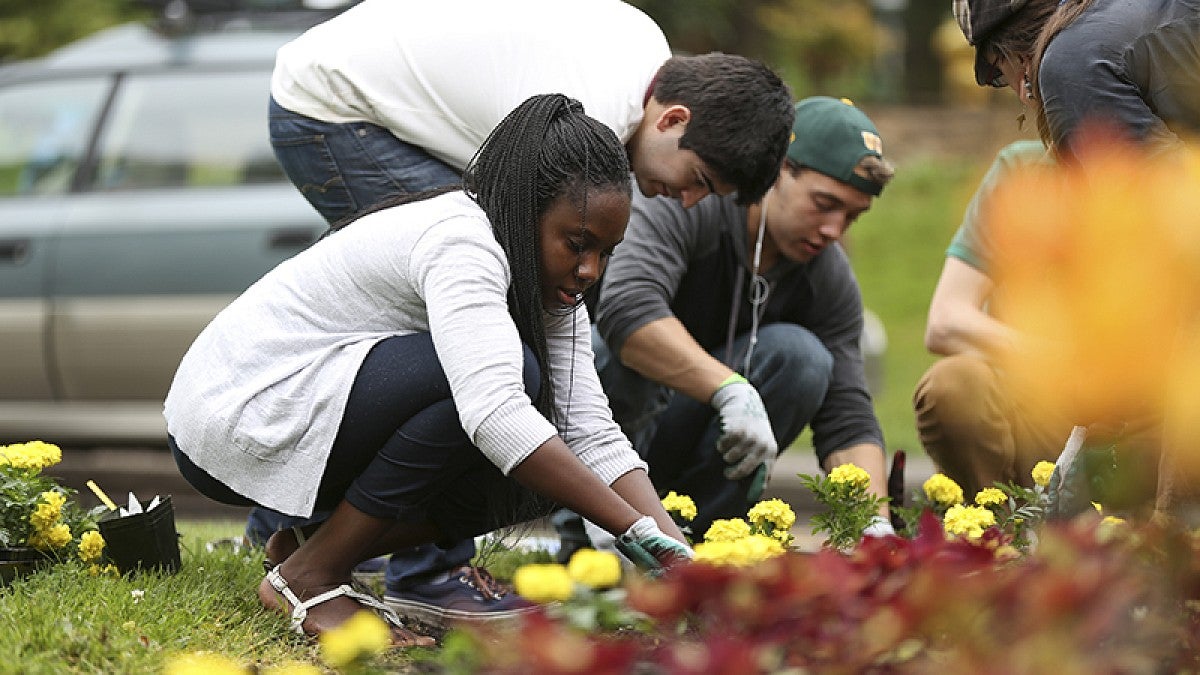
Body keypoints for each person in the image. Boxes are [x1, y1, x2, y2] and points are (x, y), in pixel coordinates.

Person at [253, 0, 795, 623]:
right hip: (333, 107)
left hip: (375, 100)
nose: (691, 201)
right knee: (473, 328)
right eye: (698, 178)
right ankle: (425, 574)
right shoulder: (580, 109)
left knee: (500, 333)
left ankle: (295, 531)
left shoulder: (641, 75)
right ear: (673, 117)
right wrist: (616, 516)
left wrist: (633, 515)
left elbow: (579, 396)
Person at [164, 94, 693, 645]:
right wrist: (627, 526)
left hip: (297, 414)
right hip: (236, 418)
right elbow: (494, 414)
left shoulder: (550, 281)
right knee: (512, 397)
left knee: (556, 466)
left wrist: (678, 559)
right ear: (524, 209)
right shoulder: (464, 242)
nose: (590, 270)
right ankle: (311, 577)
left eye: (606, 252)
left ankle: (310, 550)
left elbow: (590, 431)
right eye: (578, 244)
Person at [589, 96, 897, 541]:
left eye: (852, 216)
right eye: (824, 203)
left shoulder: (828, 275)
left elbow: (847, 413)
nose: (835, 230)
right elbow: (627, 309)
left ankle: (701, 544)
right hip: (606, 426)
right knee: (626, 348)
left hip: (692, 436)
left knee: (803, 359)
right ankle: (599, 530)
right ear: (777, 170)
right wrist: (731, 391)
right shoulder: (693, 197)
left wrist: (874, 523)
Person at [911, 140, 1077, 497]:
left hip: (1138, 423)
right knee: (953, 386)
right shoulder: (1024, 171)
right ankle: (993, 532)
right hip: (1038, 403)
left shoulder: (1167, 174)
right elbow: (946, 320)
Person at [952, 0, 1200, 161]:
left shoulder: (1070, 60)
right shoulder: (1130, 17)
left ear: (1017, 54)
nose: (1021, 96)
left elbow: (1163, 214)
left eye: (997, 73)